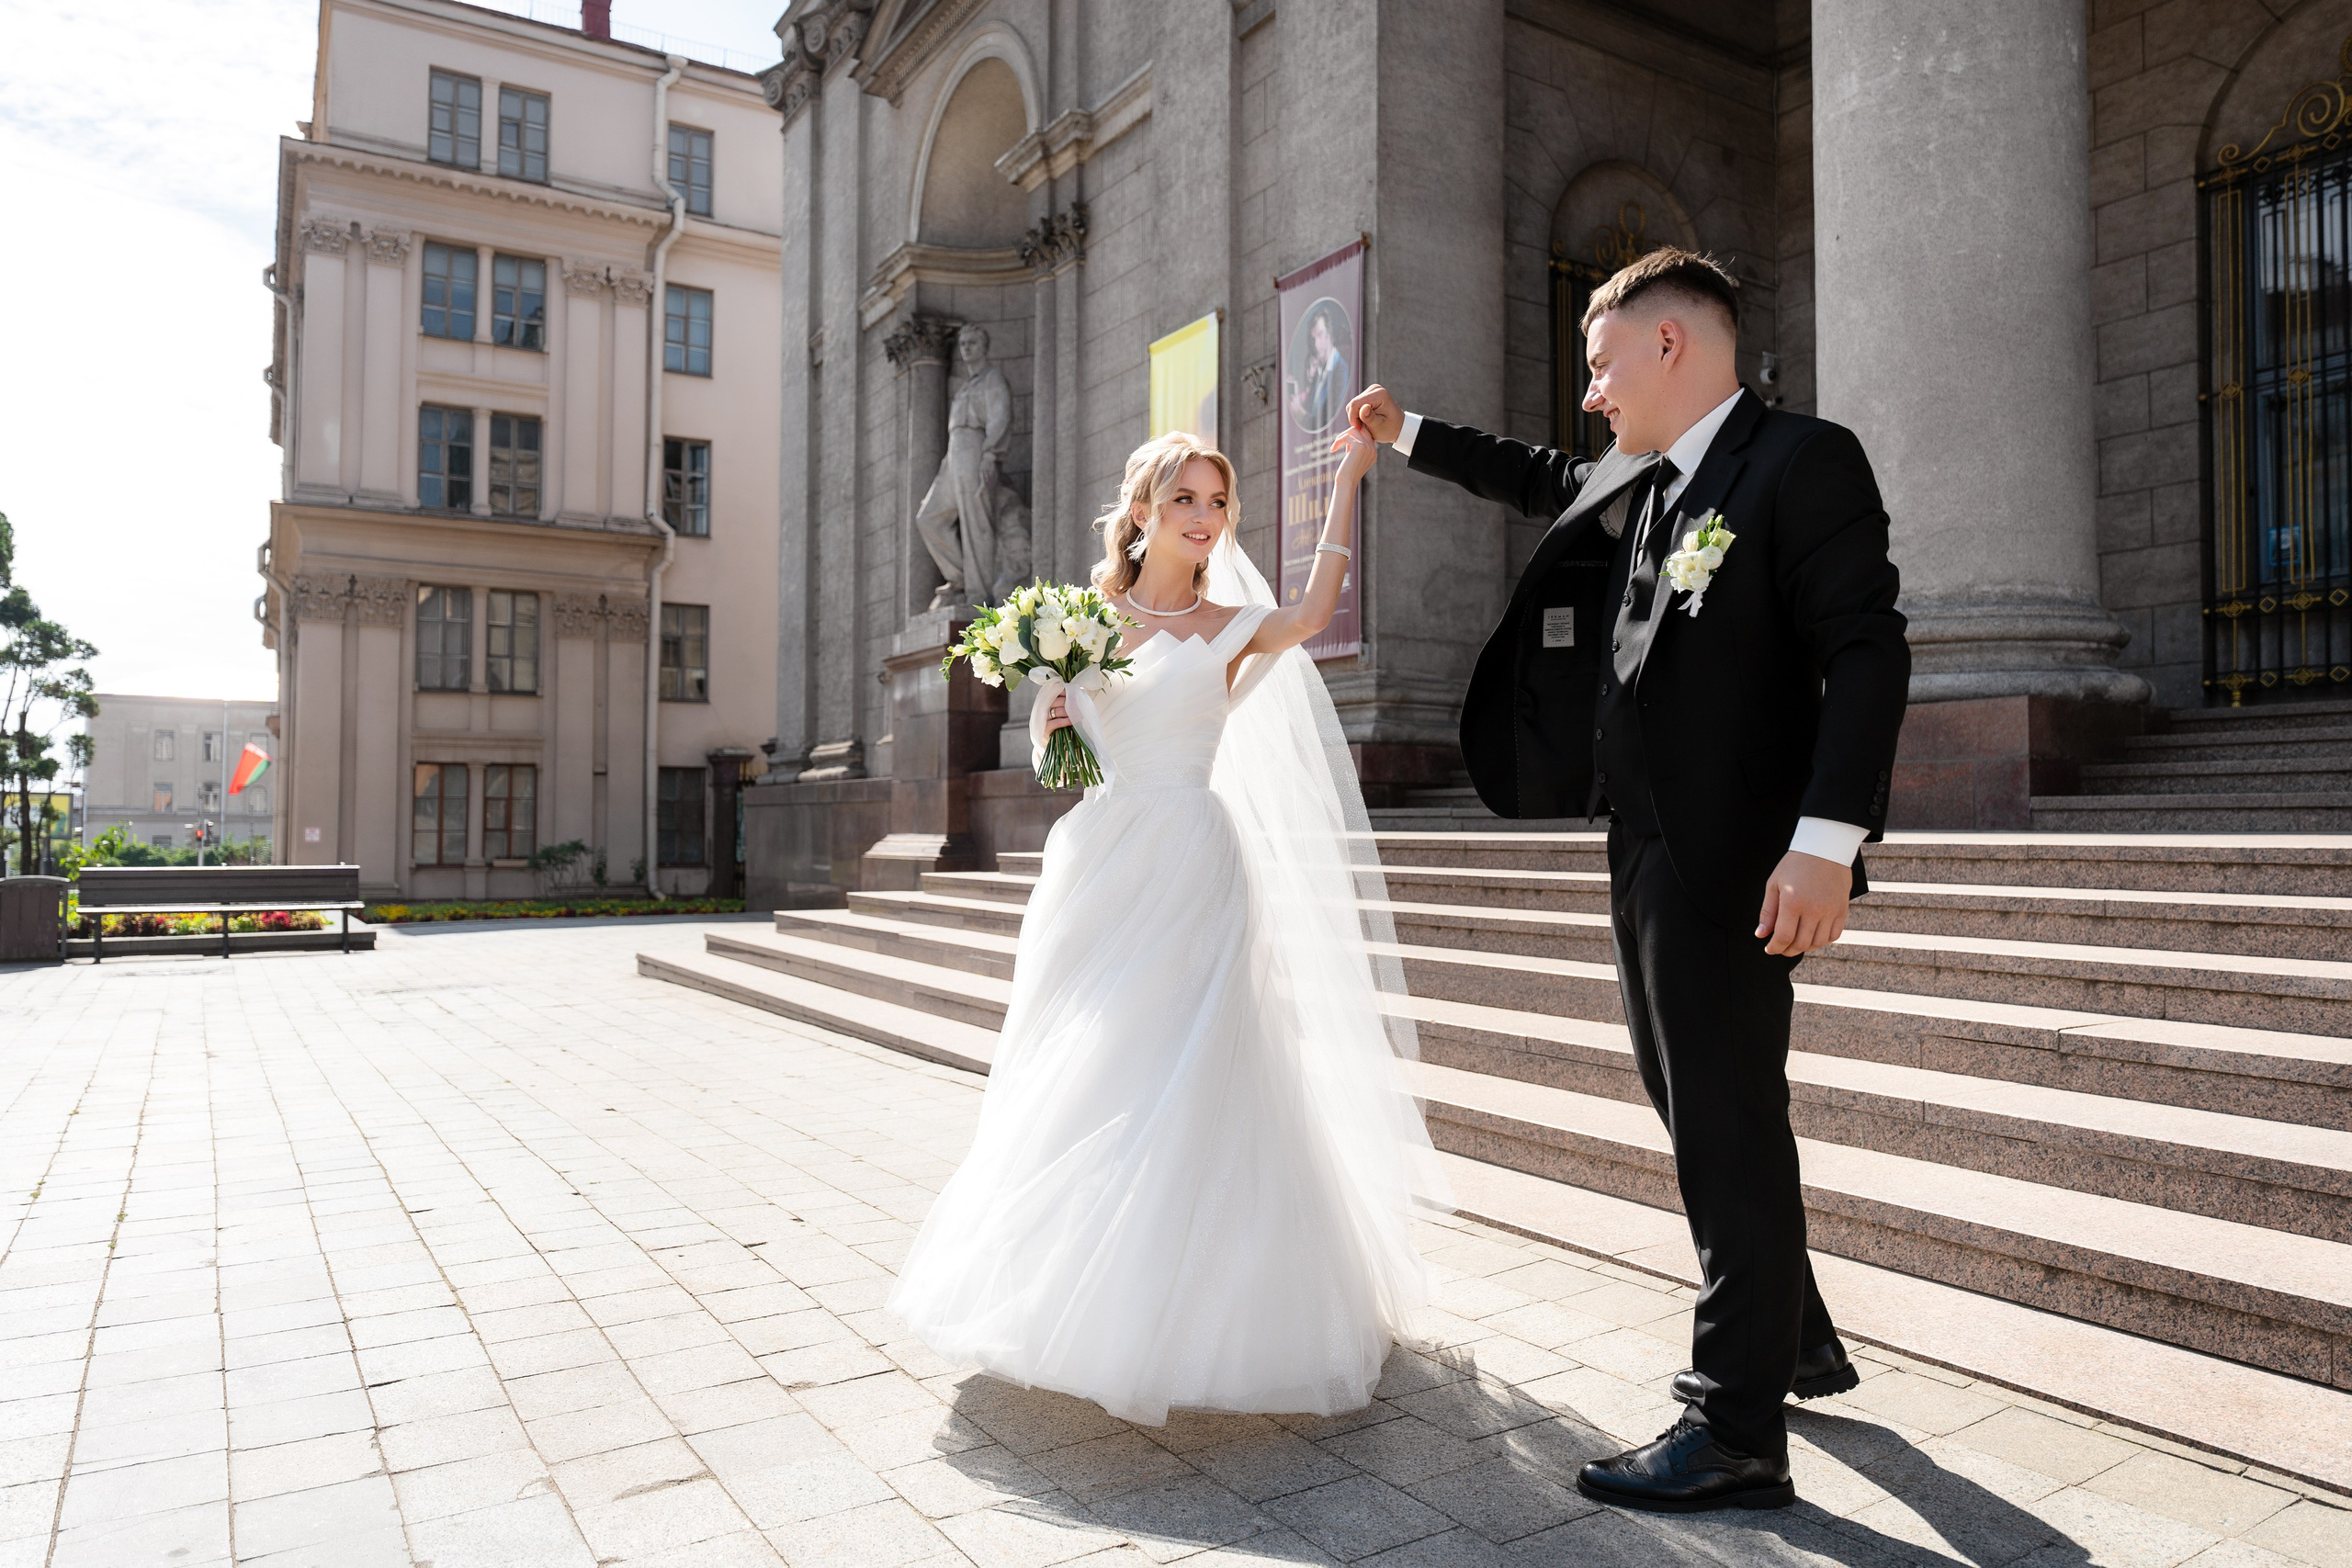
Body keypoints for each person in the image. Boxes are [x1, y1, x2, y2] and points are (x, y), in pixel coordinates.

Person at [1346, 246, 1909, 1512]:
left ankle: (1735, 1425)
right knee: (1691, 1094)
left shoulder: (1803, 461)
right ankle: (1794, 1331)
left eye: (1601, 364)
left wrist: (1828, 838)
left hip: (1744, 852)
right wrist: (1412, 431)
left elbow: (1866, 648)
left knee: (1723, 1111)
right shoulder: (1645, 476)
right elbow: (1535, 474)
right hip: (1644, 839)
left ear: (1673, 346)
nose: (1590, 393)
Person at [887, 427, 1447, 1425]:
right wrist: (1048, 720)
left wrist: (1350, 481)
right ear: (1142, 510)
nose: (1204, 516)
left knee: (1194, 1065)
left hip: (1194, 854)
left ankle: (1203, 1312)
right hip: (1100, 862)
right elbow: (1057, 736)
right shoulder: (1078, 616)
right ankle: (1070, 1293)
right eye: (1186, 499)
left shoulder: (1232, 625)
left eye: (1218, 503)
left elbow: (1316, 611)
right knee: (1094, 1066)